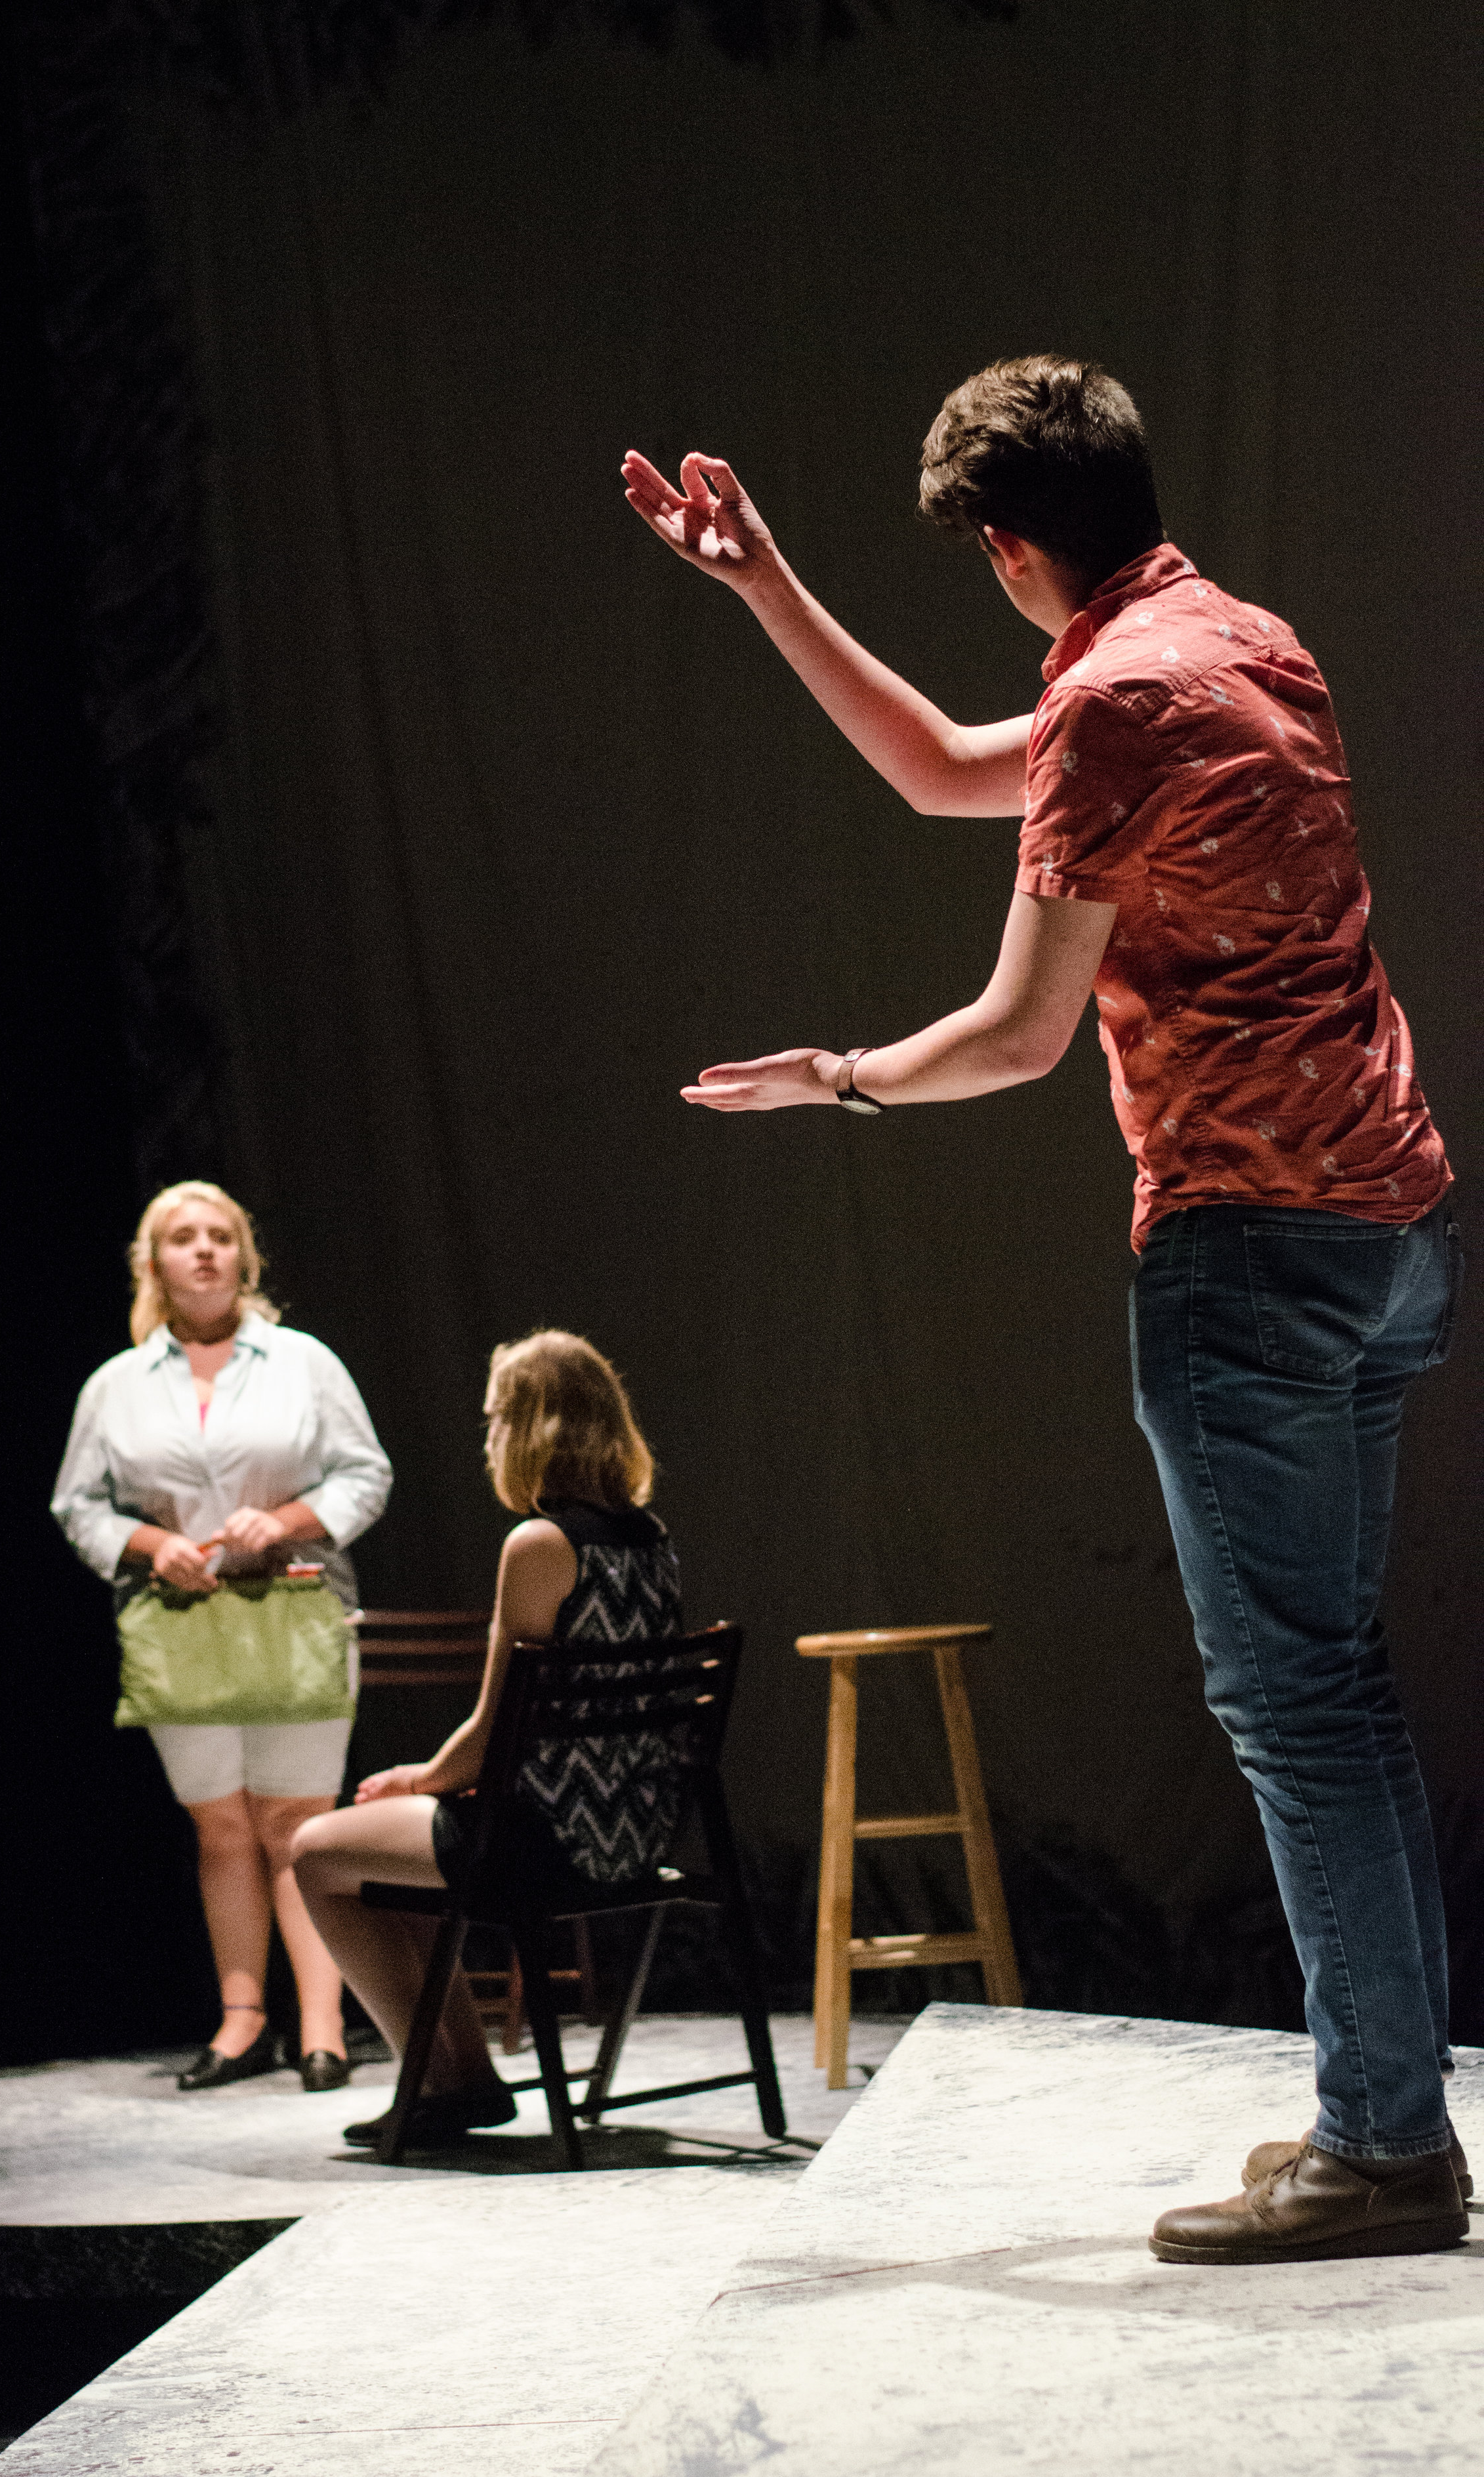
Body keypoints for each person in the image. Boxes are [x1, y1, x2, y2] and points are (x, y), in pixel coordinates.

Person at [621, 357, 1467, 2266]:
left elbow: (1010, 1033)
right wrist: (759, 577)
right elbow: (938, 765)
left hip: (1246, 1250)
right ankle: (1382, 2112)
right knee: (1331, 1696)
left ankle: (1385, 2141)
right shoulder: (1241, 641)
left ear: (1007, 550)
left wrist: (835, 1075)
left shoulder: (1103, 701)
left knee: (1296, 1707)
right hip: (1386, 1232)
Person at [293, 1329, 680, 2148]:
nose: (490, 1436)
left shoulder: (540, 1544)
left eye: (496, 1417)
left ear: (532, 1427)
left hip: (551, 1841)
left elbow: (494, 1728)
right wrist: (439, 1782)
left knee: (318, 1851)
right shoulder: (650, 1539)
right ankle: (460, 2082)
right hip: (635, 1832)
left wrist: (419, 1777)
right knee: (401, 1850)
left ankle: (443, 2079)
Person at [53, 1179, 392, 2092]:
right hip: (184, 1624)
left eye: (219, 1235)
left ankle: (321, 2021)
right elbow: (77, 1502)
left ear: (244, 1255)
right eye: (182, 1237)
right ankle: (241, 2019)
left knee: (299, 1822)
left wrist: (284, 1519)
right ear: (153, 1262)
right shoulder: (116, 1385)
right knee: (221, 1827)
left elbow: (366, 1474)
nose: (203, 1250)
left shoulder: (302, 1362)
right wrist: (152, 1541)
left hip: (293, 1607)